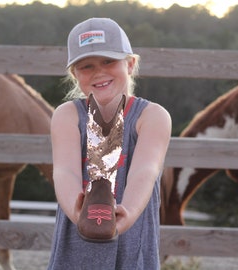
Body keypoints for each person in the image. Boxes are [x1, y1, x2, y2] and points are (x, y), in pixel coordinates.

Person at [47, 17, 172, 270]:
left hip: (132, 238)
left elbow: (145, 171)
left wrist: (128, 213)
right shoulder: (67, 115)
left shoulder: (151, 117)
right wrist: (80, 214)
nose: (99, 72)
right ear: (75, 74)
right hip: (76, 243)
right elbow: (65, 170)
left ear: (131, 64)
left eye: (108, 61)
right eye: (86, 66)